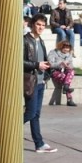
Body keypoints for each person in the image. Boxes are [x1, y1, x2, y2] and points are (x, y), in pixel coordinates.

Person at [23, 14, 56, 153]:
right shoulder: (25, 40)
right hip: (31, 81)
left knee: (36, 114)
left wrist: (47, 66)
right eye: (38, 24)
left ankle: (39, 143)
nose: (41, 27)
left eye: (43, 25)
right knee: (30, 113)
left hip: (41, 81)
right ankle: (9, 131)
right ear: (32, 24)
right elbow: (19, 61)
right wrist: (37, 65)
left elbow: (42, 59)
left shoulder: (41, 40)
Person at [48, 40, 77, 107]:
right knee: (65, 77)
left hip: (65, 72)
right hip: (55, 71)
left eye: (68, 48)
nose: (67, 49)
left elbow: (71, 66)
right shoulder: (53, 52)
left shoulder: (69, 55)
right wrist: (60, 64)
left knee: (71, 71)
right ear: (61, 47)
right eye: (65, 47)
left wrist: (68, 66)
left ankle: (66, 87)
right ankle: (69, 99)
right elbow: (50, 64)